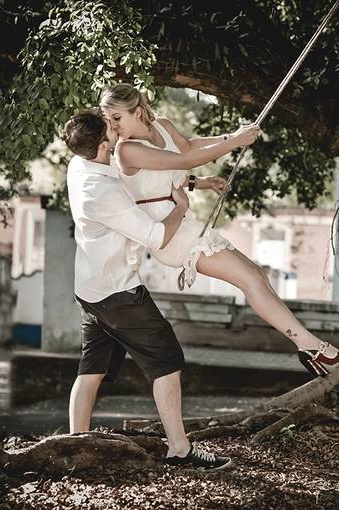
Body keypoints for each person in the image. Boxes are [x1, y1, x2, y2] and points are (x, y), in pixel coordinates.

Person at [100, 83, 339, 377]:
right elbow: (183, 161)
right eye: (108, 119)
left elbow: (187, 148)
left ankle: (312, 350)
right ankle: (314, 349)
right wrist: (234, 141)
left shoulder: (162, 126)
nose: (112, 127)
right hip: (169, 235)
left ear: (137, 111)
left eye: (116, 117)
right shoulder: (126, 150)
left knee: (257, 275)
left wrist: (209, 169)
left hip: (185, 224)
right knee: (250, 279)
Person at [62, 108, 232, 470]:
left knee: (91, 369)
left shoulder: (80, 164)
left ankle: (75, 447)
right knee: (167, 361)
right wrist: (181, 208)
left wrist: (197, 182)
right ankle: (180, 449)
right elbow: (157, 237)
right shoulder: (101, 191)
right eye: (111, 129)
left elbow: (144, 181)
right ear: (103, 145)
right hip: (118, 293)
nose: (117, 129)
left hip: (90, 287)